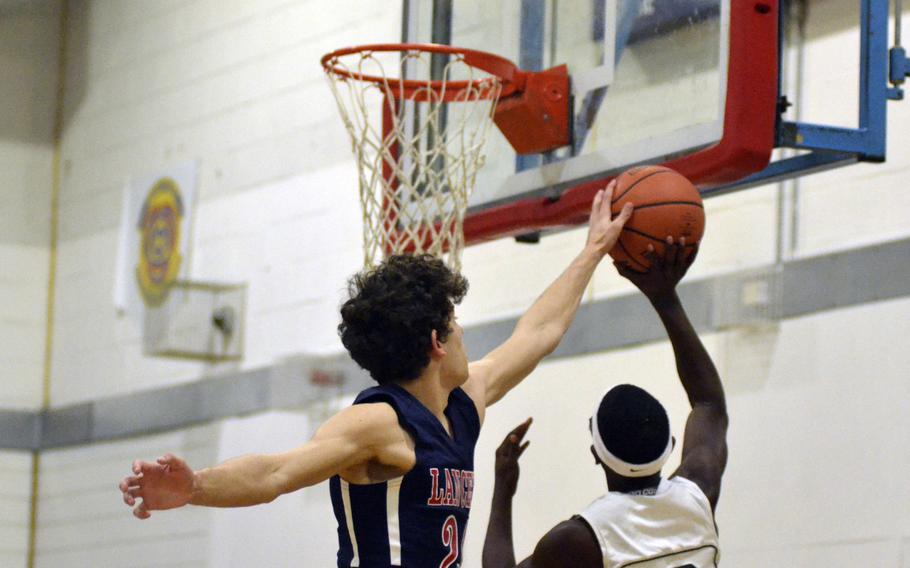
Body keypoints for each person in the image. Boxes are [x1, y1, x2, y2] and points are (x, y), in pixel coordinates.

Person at [119, 185, 634, 567]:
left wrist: (592, 252)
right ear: (436, 343)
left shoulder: (463, 403)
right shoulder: (378, 423)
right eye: (454, 324)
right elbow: (275, 473)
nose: (462, 335)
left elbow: (538, 333)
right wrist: (196, 487)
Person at [482, 239, 728, 568]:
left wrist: (502, 491)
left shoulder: (579, 539)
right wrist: (665, 297)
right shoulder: (699, 491)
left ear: (596, 454)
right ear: (669, 444)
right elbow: (709, 402)